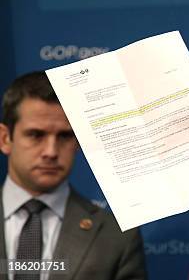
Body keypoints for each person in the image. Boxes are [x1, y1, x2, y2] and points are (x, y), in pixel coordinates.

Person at [0, 71, 147, 280]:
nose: (51, 151)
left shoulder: (117, 236)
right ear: (5, 139)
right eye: (36, 135)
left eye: (64, 136)